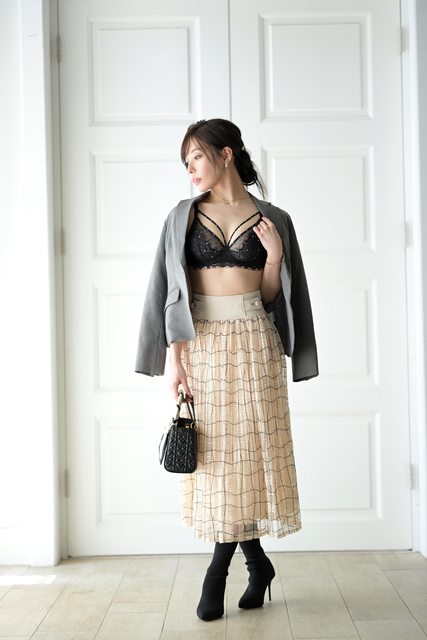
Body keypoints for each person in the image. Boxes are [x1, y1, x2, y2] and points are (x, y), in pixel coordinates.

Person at [135, 118, 318, 621]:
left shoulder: (274, 218)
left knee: (248, 456)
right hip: (204, 346)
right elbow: (170, 293)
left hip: (256, 341)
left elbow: (271, 297)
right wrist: (174, 360)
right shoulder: (182, 217)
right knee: (219, 460)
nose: (190, 168)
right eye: (186, 161)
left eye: (196, 156)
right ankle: (253, 564)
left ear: (226, 154)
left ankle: (221, 572)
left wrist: (274, 257)